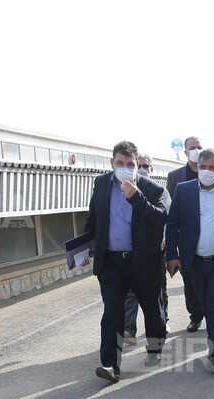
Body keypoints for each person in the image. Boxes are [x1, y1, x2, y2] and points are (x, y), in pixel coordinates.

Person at [84, 140, 168, 383]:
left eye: (130, 164)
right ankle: (111, 364)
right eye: (119, 163)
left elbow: (161, 217)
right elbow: (93, 219)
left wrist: (136, 197)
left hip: (143, 261)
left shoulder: (152, 189)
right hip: (112, 262)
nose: (124, 167)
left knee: (153, 309)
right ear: (112, 163)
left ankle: (154, 349)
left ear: (136, 165)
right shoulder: (101, 184)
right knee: (112, 312)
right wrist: (86, 249)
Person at [165, 149, 214, 372]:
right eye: (203, 167)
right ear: (197, 167)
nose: (207, 171)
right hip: (194, 262)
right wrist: (172, 255)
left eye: (212, 168)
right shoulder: (184, 190)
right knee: (206, 304)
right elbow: (172, 225)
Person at [124, 152, 170, 341]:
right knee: (130, 294)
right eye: (139, 165)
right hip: (130, 254)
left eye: (144, 166)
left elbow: (165, 218)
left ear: (150, 169)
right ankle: (129, 328)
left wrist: (166, 241)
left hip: (154, 251)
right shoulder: (118, 188)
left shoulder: (157, 190)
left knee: (157, 294)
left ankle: (162, 321)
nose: (141, 169)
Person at [166, 137, 207, 333]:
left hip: (210, 234)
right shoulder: (175, 177)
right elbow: (170, 210)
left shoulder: (213, 170)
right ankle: (195, 316)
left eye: (200, 147)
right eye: (193, 148)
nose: (197, 151)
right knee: (189, 279)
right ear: (185, 152)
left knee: (211, 279)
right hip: (186, 238)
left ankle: (212, 312)